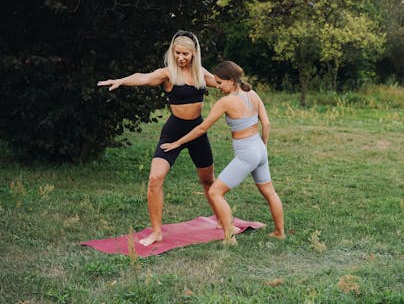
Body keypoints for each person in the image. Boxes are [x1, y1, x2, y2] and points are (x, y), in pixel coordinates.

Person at [97, 30, 217, 246]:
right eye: (177, 53)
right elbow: (142, 78)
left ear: (194, 54)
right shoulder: (168, 74)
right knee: (154, 179)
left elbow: (224, 83)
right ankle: (156, 231)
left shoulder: (201, 73)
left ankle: (220, 218)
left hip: (197, 132)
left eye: (185, 54)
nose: (181, 58)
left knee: (208, 180)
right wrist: (121, 81)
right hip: (173, 132)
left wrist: (244, 90)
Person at [160, 60, 285, 245]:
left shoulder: (226, 102)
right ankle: (280, 233)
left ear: (231, 80)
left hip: (247, 154)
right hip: (259, 148)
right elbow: (266, 124)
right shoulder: (252, 93)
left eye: (219, 82)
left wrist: (177, 142)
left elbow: (201, 128)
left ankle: (229, 238)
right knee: (270, 193)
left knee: (215, 192)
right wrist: (263, 147)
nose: (216, 86)